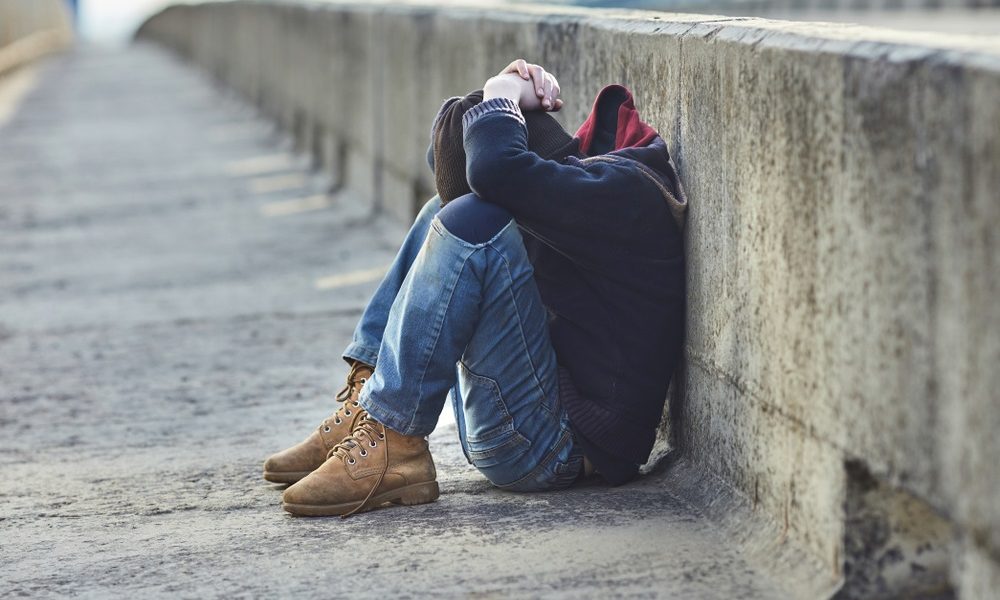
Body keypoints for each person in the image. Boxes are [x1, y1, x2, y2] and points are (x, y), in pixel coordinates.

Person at [263, 59, 687, 517]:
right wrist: (493, 101)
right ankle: (371, 408)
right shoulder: (571, 181)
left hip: (554, 450)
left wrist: (500, 92)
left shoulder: (620, 192)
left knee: (472, 221)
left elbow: (493, 171)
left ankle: (396, 443)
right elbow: (469, 175)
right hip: (519, 421)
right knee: (441, 214)